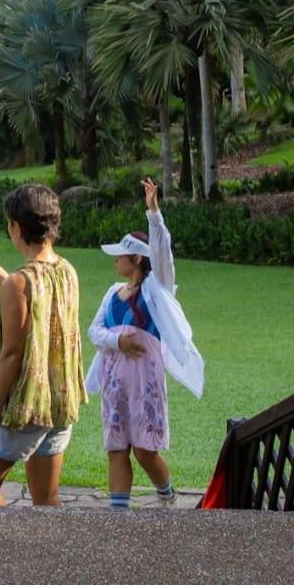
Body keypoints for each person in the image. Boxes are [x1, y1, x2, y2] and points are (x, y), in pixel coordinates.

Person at [87, 179, 204, 510]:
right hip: (114, 383)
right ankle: (119, 512)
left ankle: (166, 494)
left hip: (144, 384)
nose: (115, 262)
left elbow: (163, 254)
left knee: (145, 449)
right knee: (116, 448)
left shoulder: (156, 290)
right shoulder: (112, 292)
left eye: (121, 256)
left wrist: (154, 214)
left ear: (137, 259)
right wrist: (117, 340)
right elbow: (94, 331)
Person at [0, 182, 85, 507]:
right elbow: (39, 308)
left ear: (16, 227)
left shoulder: (20, 282)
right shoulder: (67, 271)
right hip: (60, 403)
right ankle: (54, 557)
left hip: (27, 406)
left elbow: (12, 354)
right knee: (47, 497)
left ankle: (8, 554)